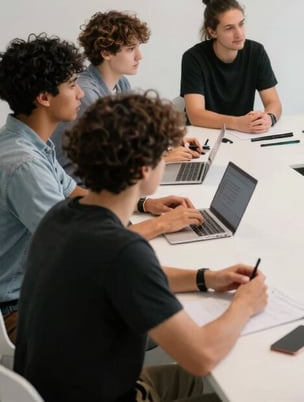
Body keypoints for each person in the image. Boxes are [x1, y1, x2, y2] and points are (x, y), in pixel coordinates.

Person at [14, 92, 268, 402]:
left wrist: (206, 278)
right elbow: (202, 355)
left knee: (189, 382)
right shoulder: (122, 250)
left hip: (48, 390)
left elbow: (127, 277)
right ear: (144, 170)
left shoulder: (61, 216)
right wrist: (245, 304)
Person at [0, 35, 201, 343]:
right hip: (22, 307)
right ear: (44, 97)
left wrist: (143, 204)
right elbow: (73, 249)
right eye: (71, 85)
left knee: (166, 304)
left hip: (44, 286)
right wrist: (160, 226)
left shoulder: (31, 142)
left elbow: (75, 194)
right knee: (169, 322)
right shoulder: (23, 163)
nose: (80, 92)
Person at [51, 10, 204, 178]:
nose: (140, 56)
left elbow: (132, 135)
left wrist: (168, 141)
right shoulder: (86, 94)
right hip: (84, 182)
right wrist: (160, 158)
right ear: (106, 53)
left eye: (138, 47)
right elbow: (109, 157)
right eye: (131, 49)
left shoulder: (121, 83)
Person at [181, 0, 282, 133]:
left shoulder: (256, 52)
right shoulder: (193, 58)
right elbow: (195, 114)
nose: (239, 34)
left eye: (241, 24)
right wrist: (237, 123)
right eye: (229, 28)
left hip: (243, 135)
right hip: (204, 133)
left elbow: (273, 102)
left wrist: (269, 118)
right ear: (212, 32)